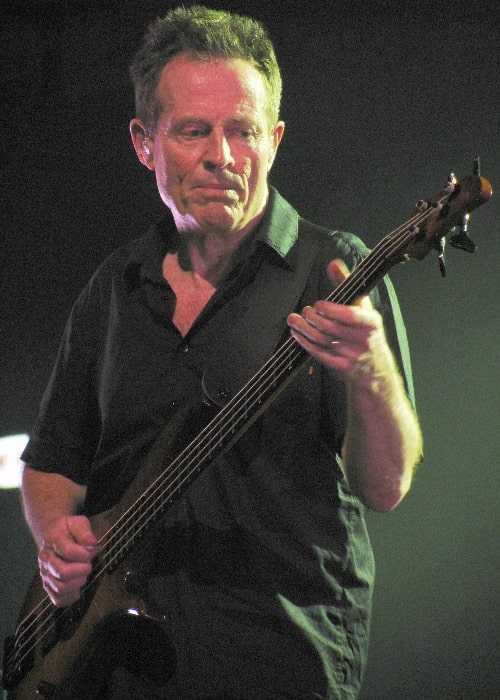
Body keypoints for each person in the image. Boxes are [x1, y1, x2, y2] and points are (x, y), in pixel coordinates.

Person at [19, 5, 422, 699]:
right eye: (194, 131)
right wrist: (58, 538)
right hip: (116, 669)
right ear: (145, 142)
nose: (222, 155)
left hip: (277, 663)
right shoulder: (113, 288)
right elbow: (53, 459)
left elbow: (385, 488)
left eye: (243, 130)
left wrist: (373, 369)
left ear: (275, 139)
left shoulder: (332, 270)